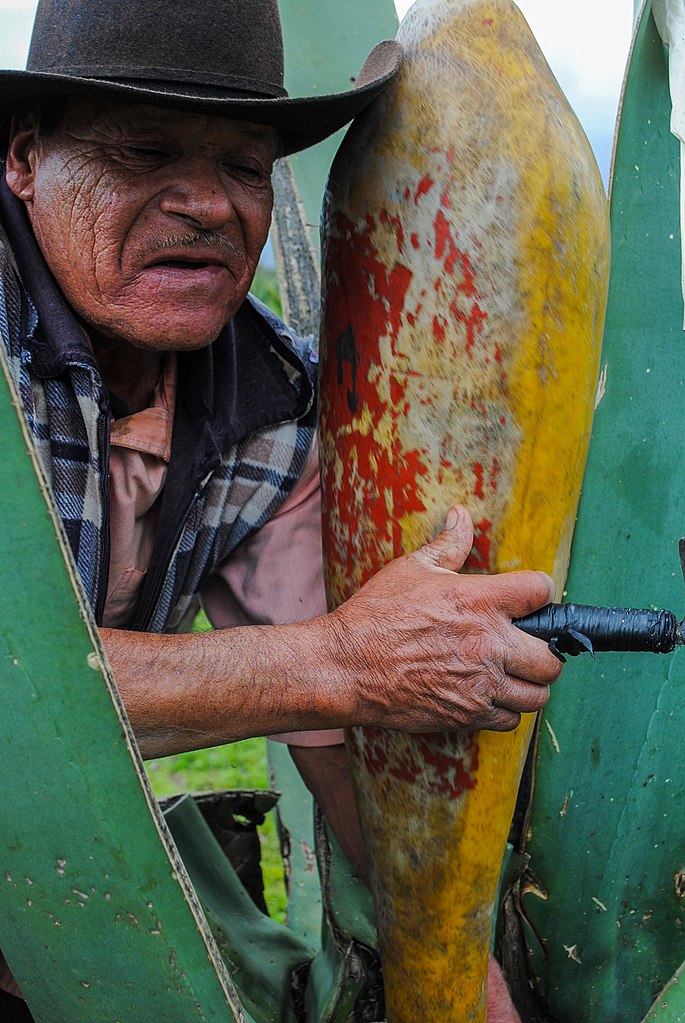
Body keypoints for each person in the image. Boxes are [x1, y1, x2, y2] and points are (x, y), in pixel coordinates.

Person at [0, 1, 562, 1020]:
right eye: (145, 151)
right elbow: (336, 666)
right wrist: (344, 660)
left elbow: (337, 727)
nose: (210, 205)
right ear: (23, 160)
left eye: (245, 166)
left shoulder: (267, 403)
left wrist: (459, 979)